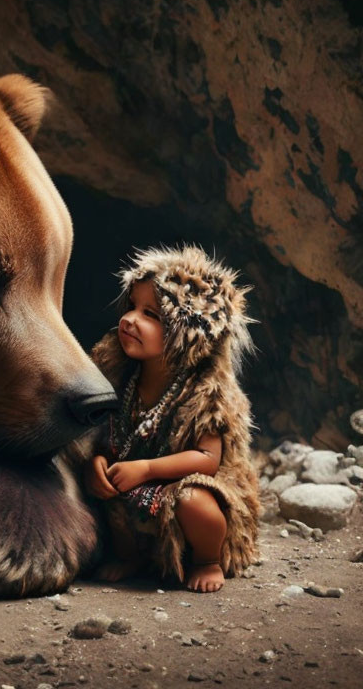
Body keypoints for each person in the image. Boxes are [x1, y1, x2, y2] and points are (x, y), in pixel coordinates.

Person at [83, 245, 260, 592]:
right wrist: (99, 460)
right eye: (132, 306)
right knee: (93, 489)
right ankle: (131, 555)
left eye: (152, 315)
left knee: (193, 502)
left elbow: (208, 460)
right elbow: (100, 431)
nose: (131, 320)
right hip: (132, 485)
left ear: (187, 335)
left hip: (180, 484)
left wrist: (147, 470)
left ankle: (206, 559)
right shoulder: (117, 372)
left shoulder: (207, 390)